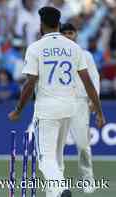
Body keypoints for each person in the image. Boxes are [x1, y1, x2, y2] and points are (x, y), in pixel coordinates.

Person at [8, 7, 105, 197]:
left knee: (45, 159)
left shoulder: (35, 48)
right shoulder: (74, 48)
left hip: (46, 110)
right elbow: (89, 83)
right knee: (57, 156)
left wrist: (18, 109)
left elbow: (29, 84)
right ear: (59, 24)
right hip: (69, 107)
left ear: (41, 25)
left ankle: (60, 189)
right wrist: (100, 112)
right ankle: (54, 193)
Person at [60, 22, 100, 193]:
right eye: (66, 33)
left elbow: (94, 78)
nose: (69, 36)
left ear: (76, 35)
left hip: (80, 103)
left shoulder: (86, 55)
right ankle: (58, 180)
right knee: (57, 145)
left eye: (71, 33)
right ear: (61, 35)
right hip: (60, 103)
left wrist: (94, 99)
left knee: (83, 144)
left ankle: (87, 178)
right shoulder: (56, 56)